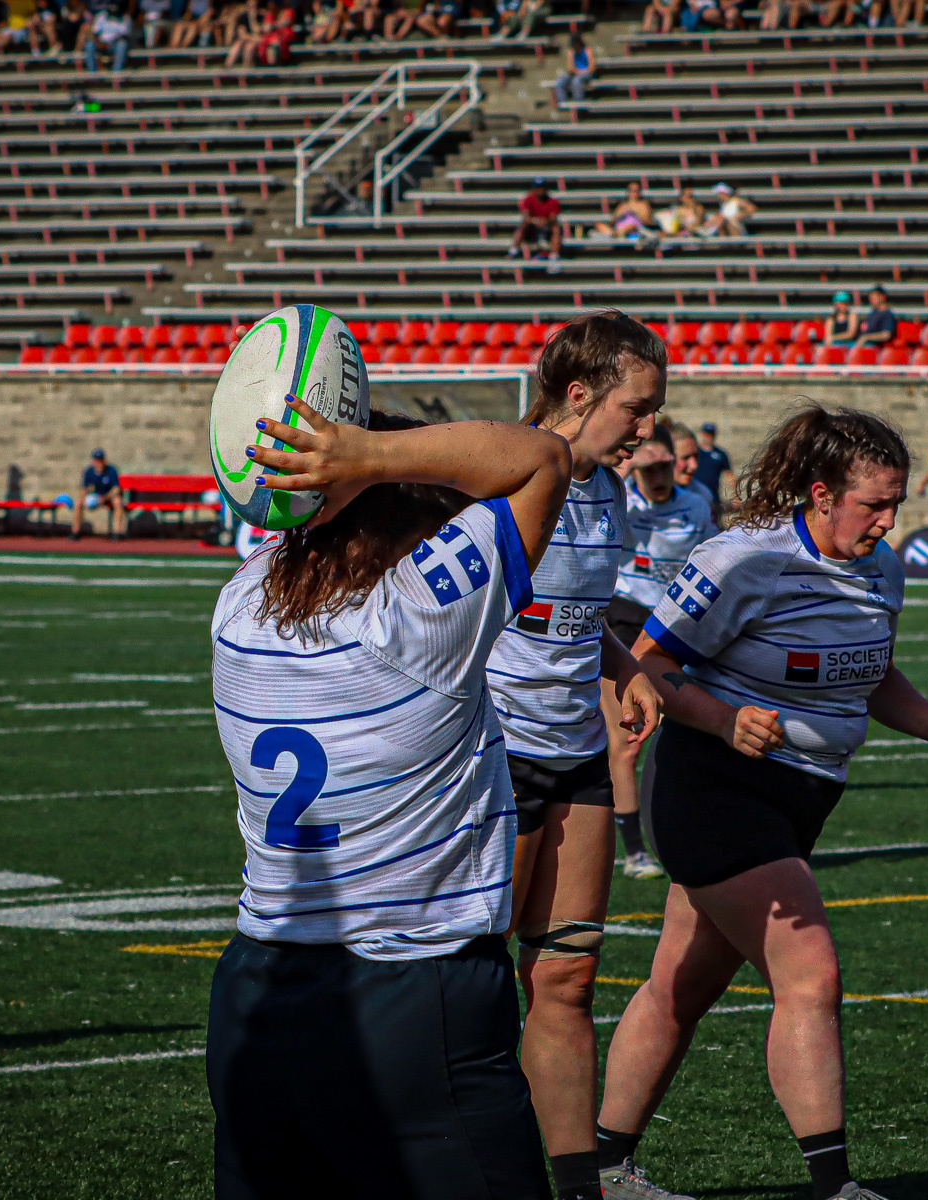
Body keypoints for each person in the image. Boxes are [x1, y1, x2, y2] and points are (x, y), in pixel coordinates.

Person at [594, 405, 928, 1200]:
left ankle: (604, 1169)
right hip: (716, 787)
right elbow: (647, 664)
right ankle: (834, 1188)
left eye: (896, 504)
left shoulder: (881, 565)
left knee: (678, 987)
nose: (887, 522)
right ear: (820, 494)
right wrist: (723, 719)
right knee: (810, 974)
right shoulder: (745, 559)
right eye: (873, 504)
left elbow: (871, 671)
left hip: (801, 800)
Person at [205, 400, 572, 1199]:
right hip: (412, 987)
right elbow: (540, 459)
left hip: (257, 989)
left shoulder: (239, 605)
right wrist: (373, 452)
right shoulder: (417, 620)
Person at [489, 313, 666, 1200]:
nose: (647, 429)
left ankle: (578, 1186)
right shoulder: (502, 472)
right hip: (494, 752)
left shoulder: (610, 488)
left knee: (566, 974)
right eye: (636, 409)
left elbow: (578, 613)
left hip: (576, 749)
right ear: (577, 393)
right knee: (478, 980)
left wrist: (625, 667)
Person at [607, 425, 716, 881]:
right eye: (645, 468)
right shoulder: (620, 500)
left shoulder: (695, 504)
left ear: (674, 463)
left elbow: (713, 556)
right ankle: (634, 851)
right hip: (624, 622)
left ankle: (695, 836)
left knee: (691, 737)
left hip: (674, 630)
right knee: (628, 740)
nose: (654, 476)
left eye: (661, 466)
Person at [70, 447, 127, 540]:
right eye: (96, 460)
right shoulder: (89, 471)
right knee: (78, 503)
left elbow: (116, 489)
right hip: (96, 497)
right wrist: (84, 499)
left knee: (117, 501)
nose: (98, 463)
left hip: (108, 497)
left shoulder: (111, 471)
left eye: (100, 460)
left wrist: (104, 498)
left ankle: (117, 531)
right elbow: (84, 489)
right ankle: (75, 531)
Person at [510, 179, 564, 271]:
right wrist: (536, 221)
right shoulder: (529, 200)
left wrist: (545, 221)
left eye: (542, 188)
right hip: (532, 228)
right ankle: (513, 251)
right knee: (523, 226)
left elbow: (553, 218)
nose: (540, 191)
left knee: (556, 229)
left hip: (547, 228)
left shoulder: (552, 201)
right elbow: (526, 217)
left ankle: (554, 256)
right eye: (537, 188)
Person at [667, 419, 716, 513]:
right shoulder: (633, 497)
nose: (694, 466)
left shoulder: (702, 494)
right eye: (685, 458)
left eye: (696, 456)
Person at [696, 422, 732, 516]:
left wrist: (735, 496)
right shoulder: (695, 452)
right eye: (707, 434)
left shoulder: (720, 454)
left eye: (711, 434)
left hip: (713, 498)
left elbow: (729, 475)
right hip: (695, 494)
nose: (709, 437)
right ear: (702, 434)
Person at [554, 33, 595, 106]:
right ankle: (563, 103)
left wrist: (580, 72)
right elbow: (570, 68)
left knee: (576, 81)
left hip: (586, 73)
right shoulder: (571, 52)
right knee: (560, 81)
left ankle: (579, 104)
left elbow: (592, 68)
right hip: (575, 73)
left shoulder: (587, 50)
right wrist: (575, 71)